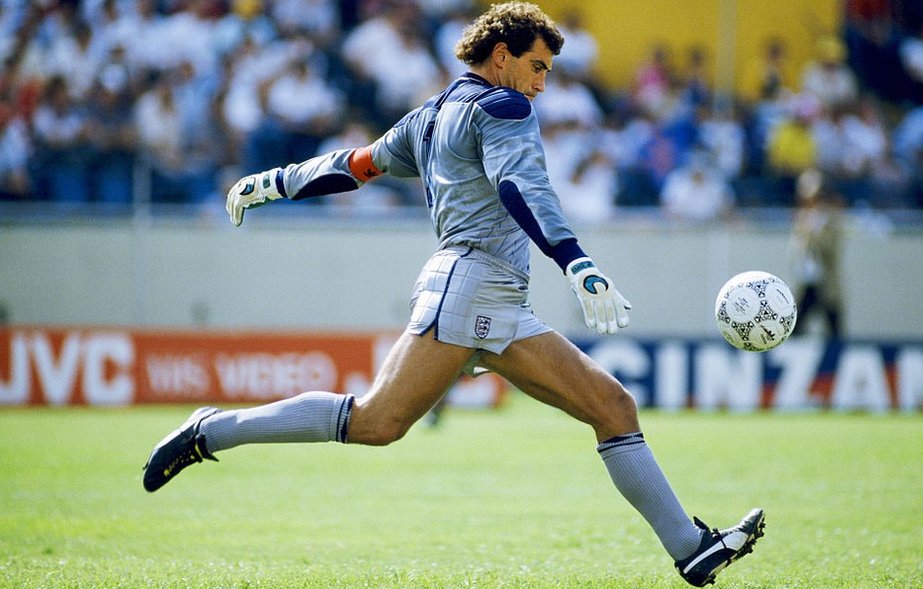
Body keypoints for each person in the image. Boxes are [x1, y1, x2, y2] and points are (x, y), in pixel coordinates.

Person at [141, 4, 763, 586]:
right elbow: (520, 186)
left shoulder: (431, 115)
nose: (542, 84)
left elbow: (355, 166)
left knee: (612, 406)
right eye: (537, 66)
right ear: (501, 55)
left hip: (493, 296)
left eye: (548, 72)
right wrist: (576, 262)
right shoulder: (503, 107)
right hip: (472, 286)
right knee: (377, 422)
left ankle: (691, 548)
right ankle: (213, 430)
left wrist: (277, 182)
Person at [788, 168, 845, 337]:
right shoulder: (802, 217)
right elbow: (796, 249)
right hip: (807, 281)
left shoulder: (831, 218)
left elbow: (831, 248)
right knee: (795, 326)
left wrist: (812, 235)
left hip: (825, 282)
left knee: (834, 329)